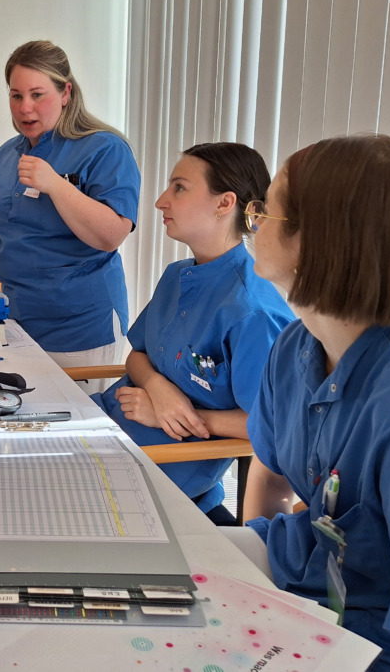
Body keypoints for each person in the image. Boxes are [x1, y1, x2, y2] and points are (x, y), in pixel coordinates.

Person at [243, 135, 390, 671]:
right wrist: (256, 606)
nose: (253, 220)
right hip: (301, 585)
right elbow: (269, 474)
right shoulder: (298, 345)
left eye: (266, 209)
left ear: (317, 241)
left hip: (377, 642)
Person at [92, 143, 293, 524]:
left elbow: (271, 427)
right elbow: (137, 355)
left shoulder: (251, 311)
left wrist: (171, 415)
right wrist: (158, 387)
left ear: (224, 203)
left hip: (157, 473)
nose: (160, 202)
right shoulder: (177, 276)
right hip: (108, 429)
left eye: (179, 188)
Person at [0, 40, 140, 374]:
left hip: (81, 330)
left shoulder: (105, 149)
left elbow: (111, 235)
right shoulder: (6, 156)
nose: (25, 108)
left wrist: (56, 185)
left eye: (38, 95)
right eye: (16, 95)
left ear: (65, 92)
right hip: (16, 323)